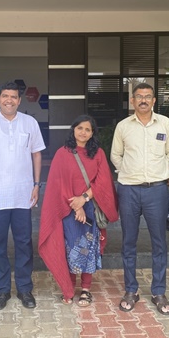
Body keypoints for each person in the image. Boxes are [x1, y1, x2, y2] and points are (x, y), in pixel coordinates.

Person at [0, 81, 46, 310]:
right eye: (5, 96)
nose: (9, 100)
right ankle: (2, 290)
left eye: (13, 97)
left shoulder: (30, 123)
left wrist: (36, 185)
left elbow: (36, 155)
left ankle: (24, 289)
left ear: (19, 100)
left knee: (24, 243)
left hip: (23, 194)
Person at [110, 82, 169, 314]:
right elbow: (116, 155)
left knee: (159, 242)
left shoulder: (166, 124)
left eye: (148, 96)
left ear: (154, 100)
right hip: (128, 190)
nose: (143, 100)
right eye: (139, 96)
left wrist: (158, 172)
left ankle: (159, 291)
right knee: (129, 242)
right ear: (132, 100)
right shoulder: (123, 126)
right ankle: (131, 289)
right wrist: (129, 173)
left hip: (156, 191)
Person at [39, 115, 119, 306]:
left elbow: (103, 182)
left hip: (90, 207)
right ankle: (69, 288)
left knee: (88, 249)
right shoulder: (62, 153)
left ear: (92, 133)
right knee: (70, 248)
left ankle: (85, 290)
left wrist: (83, 200)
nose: (83, 132)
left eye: (87, 129)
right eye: (80, 128)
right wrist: (76, 205)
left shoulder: (98, 153)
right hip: (67, 209)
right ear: (73, 129)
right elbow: (57, 184)